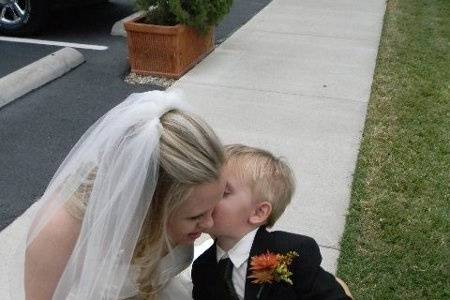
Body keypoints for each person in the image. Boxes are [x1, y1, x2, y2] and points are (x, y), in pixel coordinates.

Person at [18, 90, 226, 300]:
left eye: (216, 205)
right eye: (195, 217)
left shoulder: (201, 196)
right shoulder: (60, 229)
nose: (210, 224)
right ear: (150, 203)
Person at [192, 144, 352, 300]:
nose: (209, 197)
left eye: (224, 192)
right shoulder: (202, 268)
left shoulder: (290, 252)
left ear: (258, 212)